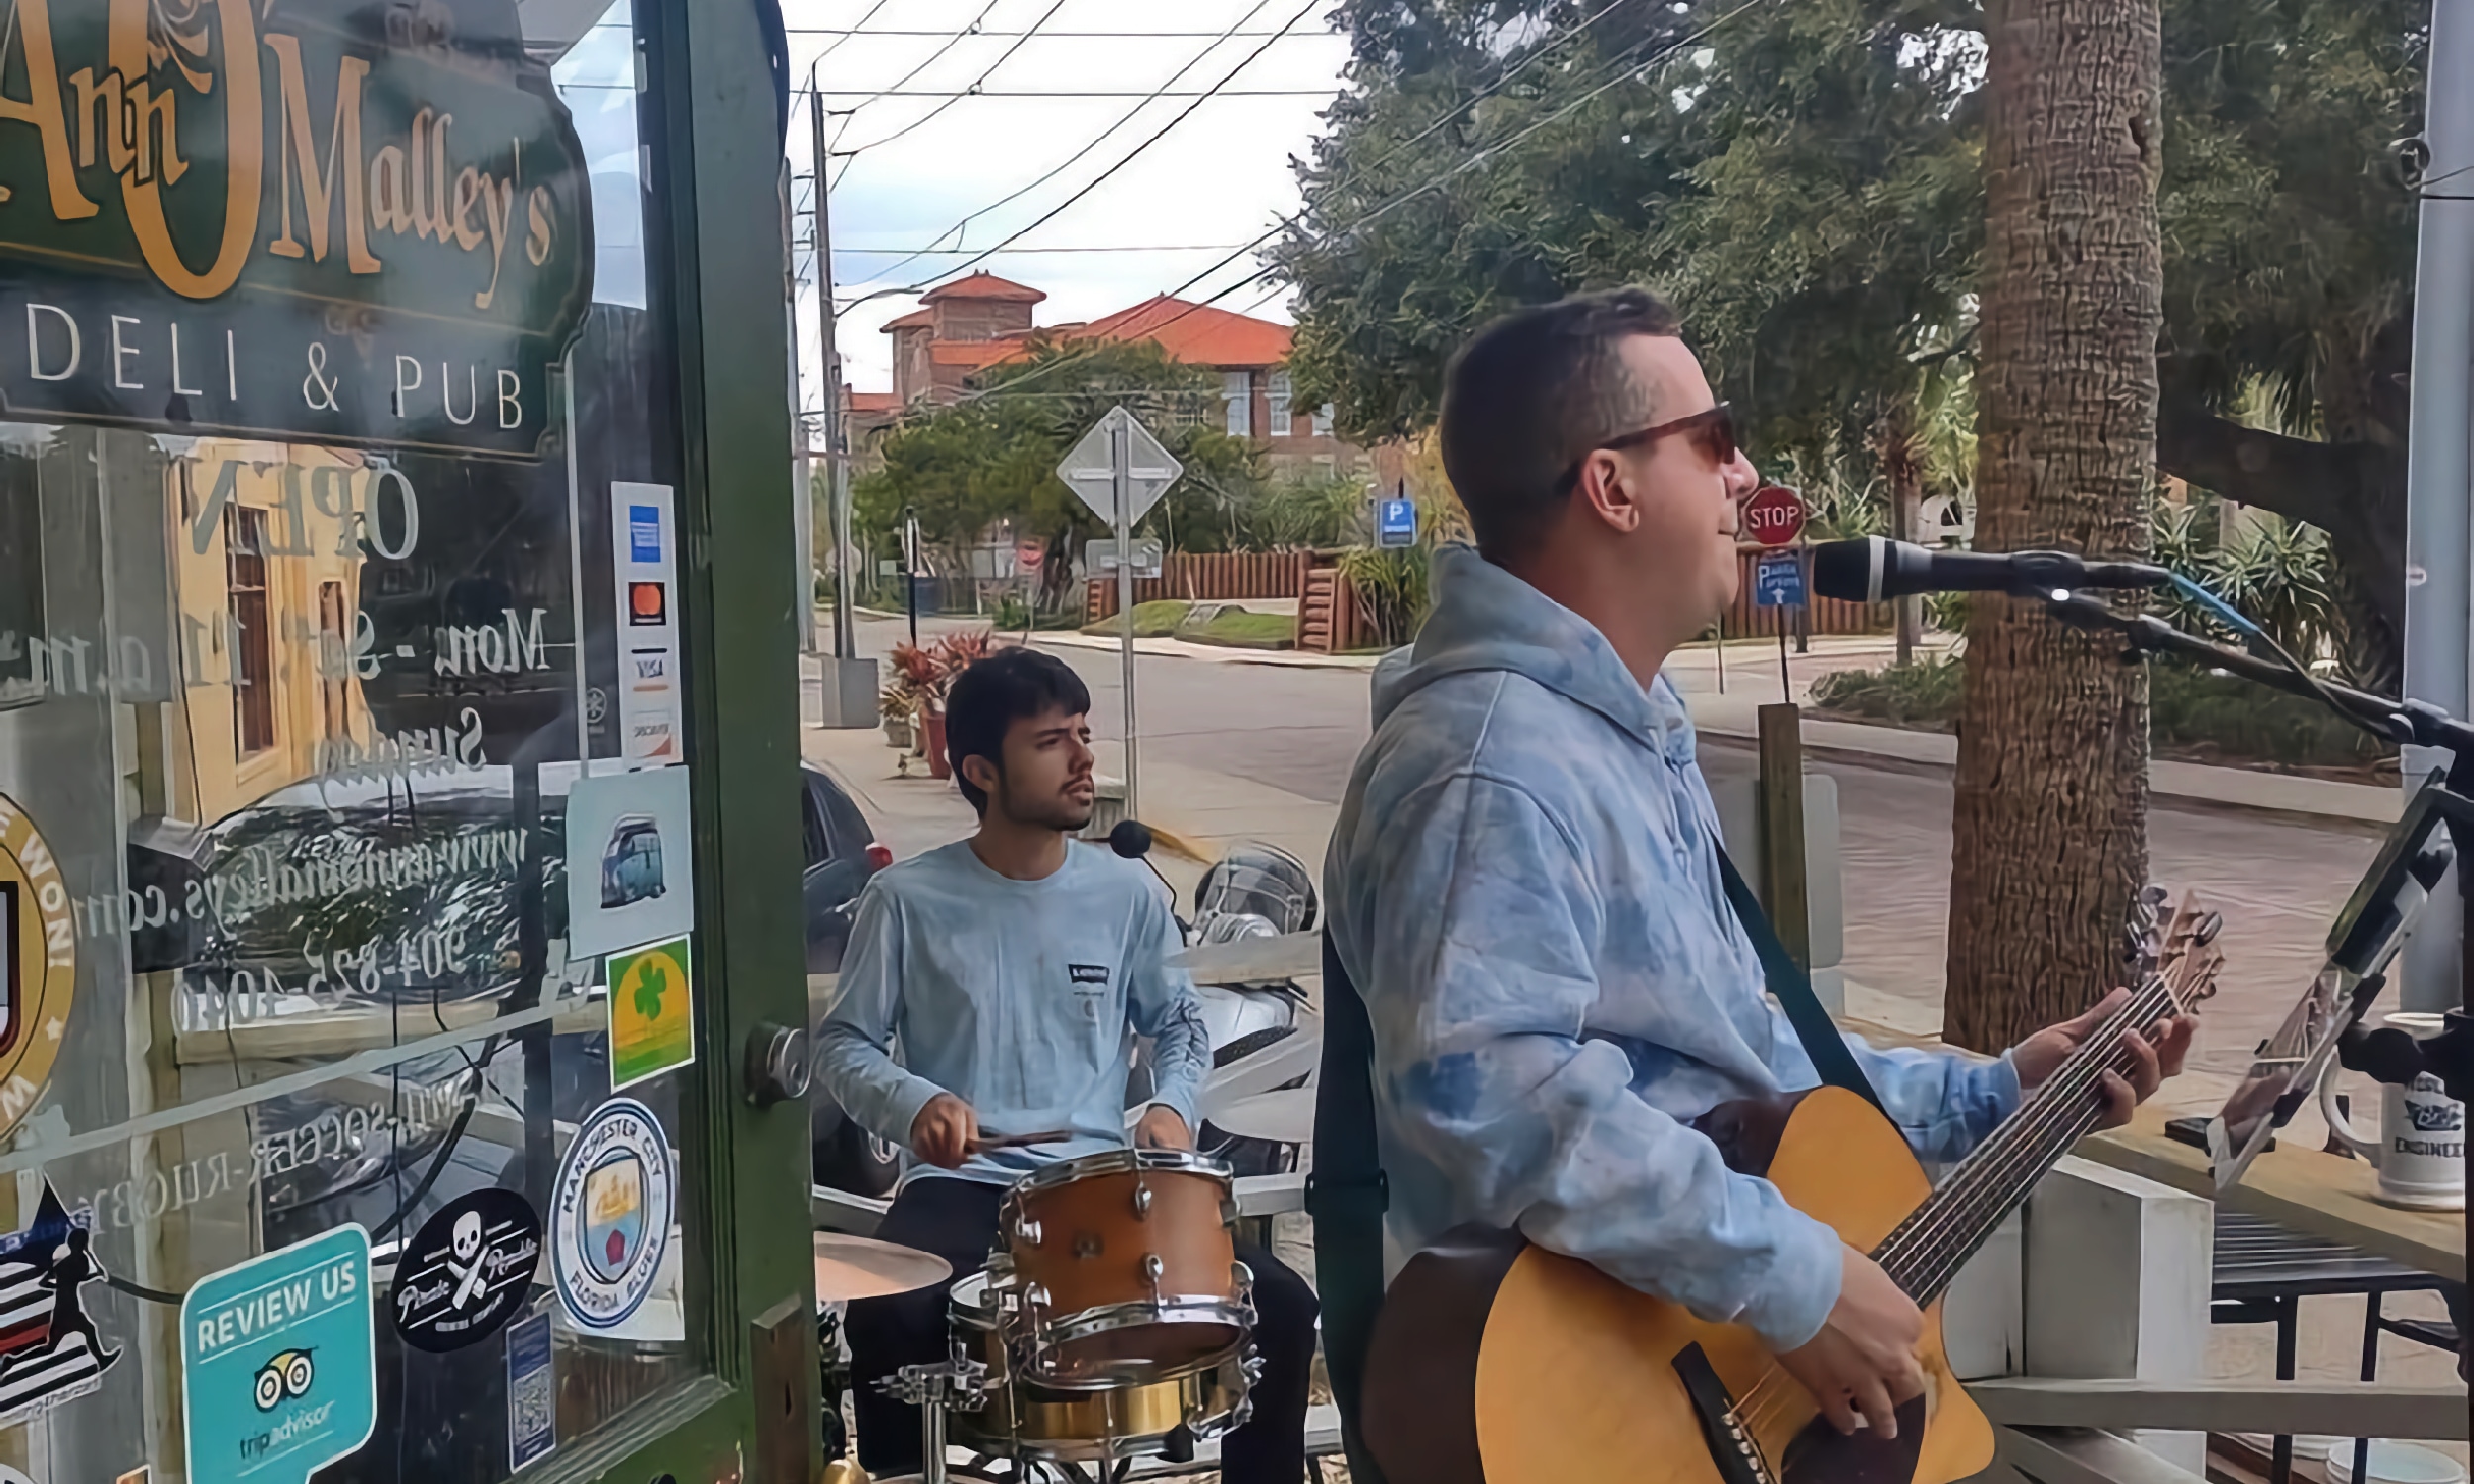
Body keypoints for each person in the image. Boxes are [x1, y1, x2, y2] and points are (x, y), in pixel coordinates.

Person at [1323, 288, 2193, 1442]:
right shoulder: (1492, 763)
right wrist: (1792, 1280)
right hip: (1585, 1411)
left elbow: (1745, 1069)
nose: (1746, 479)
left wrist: (1994, 1093)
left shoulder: (1619, 732)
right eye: (1715, 440)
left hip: (1691, 1364)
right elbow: (1496, 1102)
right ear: (1611, 485)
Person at [817, 646, 1320, 1481]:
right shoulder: (904, 900)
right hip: (960, 1192)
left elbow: (1181, 1027)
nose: (1085, 759)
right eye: (1053, 742)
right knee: (890, 1318)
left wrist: (1173, 1103)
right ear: (981, 768)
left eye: (1083, 733)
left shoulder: (1125, 894)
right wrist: (914, 1105)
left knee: (1281, 1305)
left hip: (1098, 1186)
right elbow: (842, 1043)